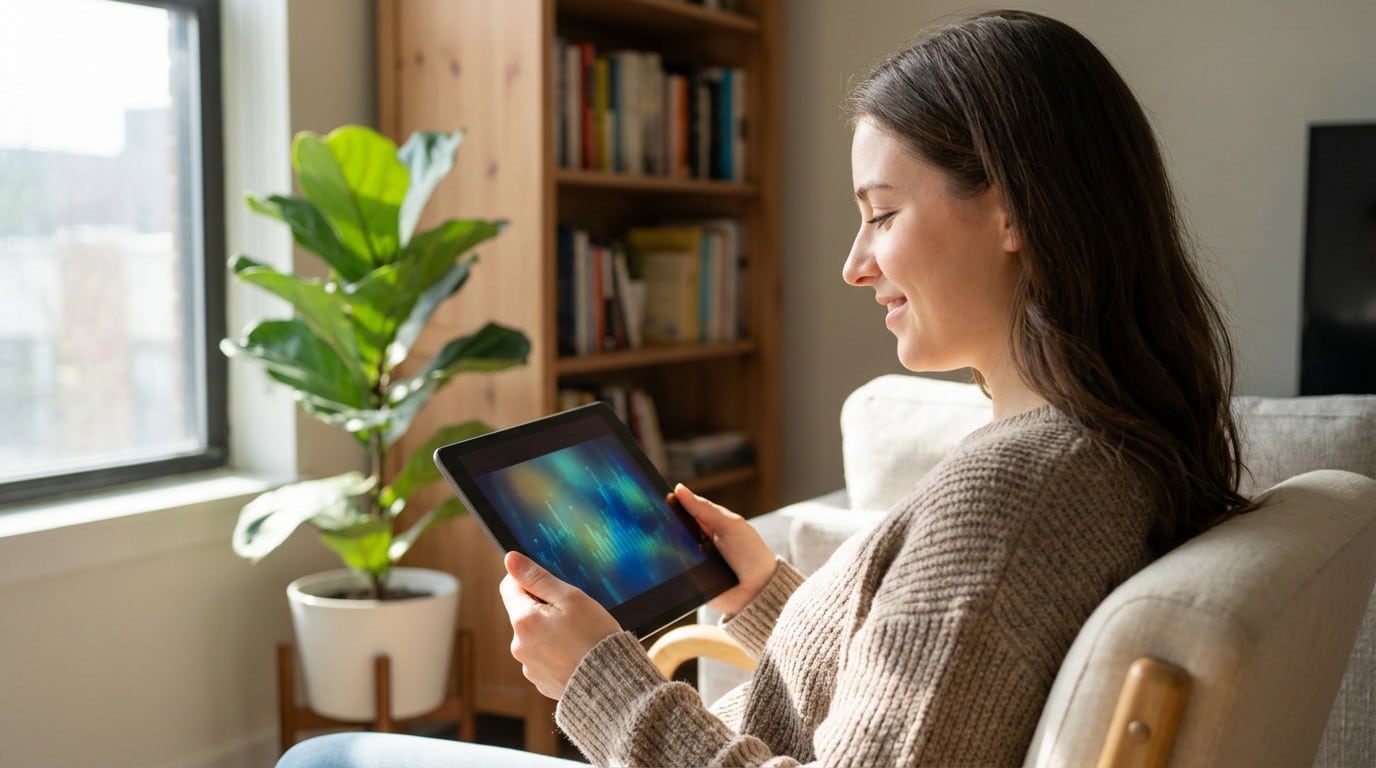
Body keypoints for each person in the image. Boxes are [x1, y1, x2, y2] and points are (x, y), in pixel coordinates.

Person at [278, 9, 1252, 767]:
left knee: (324, 755)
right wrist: (767, 596)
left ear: (1009, 208)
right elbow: (936, 691)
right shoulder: (1111, 445)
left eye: (879, 214)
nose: (852, 265)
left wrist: (597, 678)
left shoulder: (1015, 491)